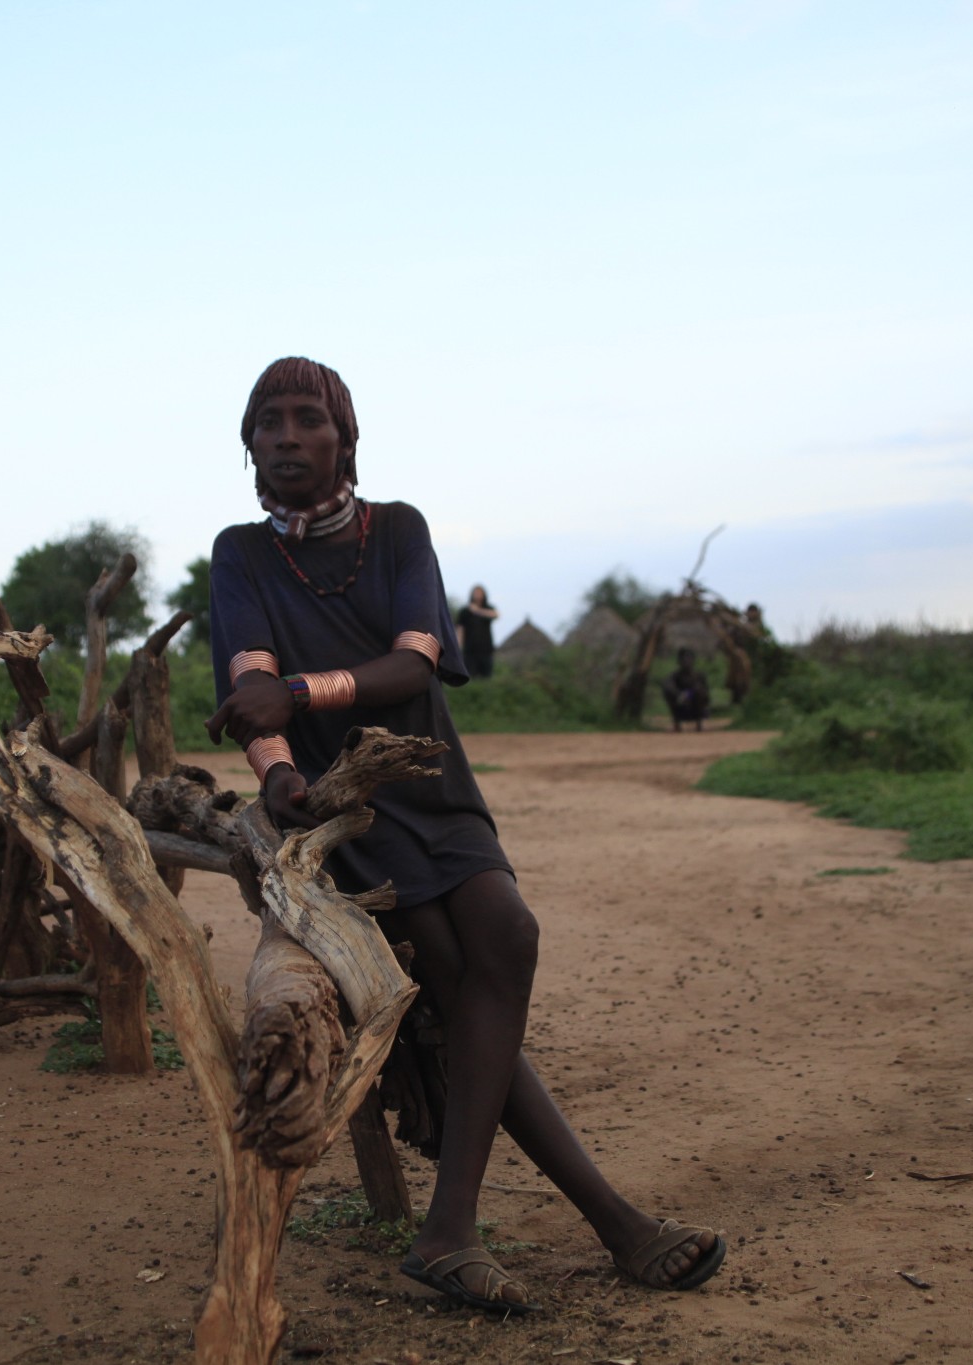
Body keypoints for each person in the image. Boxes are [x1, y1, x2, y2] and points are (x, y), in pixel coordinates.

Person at [206, 357, 727, 1315]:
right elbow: (251, 689)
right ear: (248, 444)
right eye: (267, 421)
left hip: (434, 787)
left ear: (344, 439)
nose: (286, 435)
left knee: (508, 935)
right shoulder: (239, 553)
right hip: (348, 810)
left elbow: (414, 668)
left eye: (306, 418)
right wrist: (278, 770)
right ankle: (588, 1226)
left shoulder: (397, 530)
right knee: (456, 975)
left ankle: (463, 1227)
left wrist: (303, 692)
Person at [455, 586, 500, 678]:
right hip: (470, 650)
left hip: (486, 649)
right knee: (470, 675)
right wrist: (458, 646)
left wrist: (477, 611)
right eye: (476, 593)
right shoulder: (465, 612)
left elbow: (496, 614)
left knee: (487, 676)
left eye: (480, 593)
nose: (478, 595)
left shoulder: (488, 608)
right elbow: (460, 629)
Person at [661, 648, 710, 732]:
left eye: (689, 659)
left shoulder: (699, 676)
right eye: (684, 659)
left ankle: (699, 723)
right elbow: (668, 687)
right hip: (680, 706)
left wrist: (690, 694)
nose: (686, 661)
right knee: (669, 692)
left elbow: (705, 694)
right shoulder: (674, 676)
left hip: (695, 707)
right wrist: (679, 694)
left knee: (699, 691)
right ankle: (677, 724)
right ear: (679, 661)